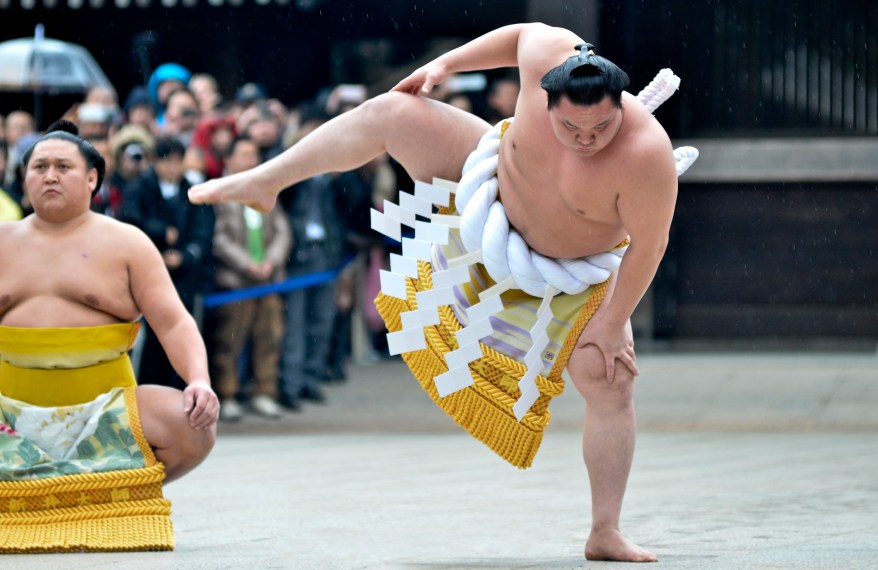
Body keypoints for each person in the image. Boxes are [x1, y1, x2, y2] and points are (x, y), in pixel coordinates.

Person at [189, 23, 678, 563]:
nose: (586, 140)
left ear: (621, 109)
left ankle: (604, 530)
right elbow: (518, 33)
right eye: (570, 127)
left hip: (577, 270)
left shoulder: (645, 154)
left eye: (601, 128)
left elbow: (648, 248)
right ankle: (268, 181)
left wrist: (611, 326)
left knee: (610, 379)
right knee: (392, 113)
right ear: (545, 94)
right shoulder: (546, 52)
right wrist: (447, 66)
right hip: (490, 192)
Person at [0, 121, 217, 550]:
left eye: (64, 165)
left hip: (106, 406)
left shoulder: (128, 243)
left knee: (193, 427)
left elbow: (173, 321)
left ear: (93, 178)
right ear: (24, 178)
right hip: (9, 405)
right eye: (39, 166)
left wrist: (199, 381)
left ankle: (102, 488)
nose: (50, 175)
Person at [121, 136, 215, 389]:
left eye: (177, 162)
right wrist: (161, 233)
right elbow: (130, 223)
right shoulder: (138, 188)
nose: (172, 168)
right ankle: (145, 392)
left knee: (180, 335)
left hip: (183, 275)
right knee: (148, 338)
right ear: (155, 162)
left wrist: (185, 255)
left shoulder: (193, 191)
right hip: (146, 273)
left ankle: (180, 391)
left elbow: (203, 232)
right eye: (166, 162)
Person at [210, 136, 292, 420]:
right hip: (235, 282)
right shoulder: (220, 190)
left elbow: (282, 228)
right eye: (243, 154)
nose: (249, 160)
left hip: (268, 278)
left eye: (253, 154)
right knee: (229, 340)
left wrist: (271, 260)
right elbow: (219, 238)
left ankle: (264, 391)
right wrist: (247, 264)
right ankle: (228, 394)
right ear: (229, 159)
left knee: (269, 336)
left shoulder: (265, 186)